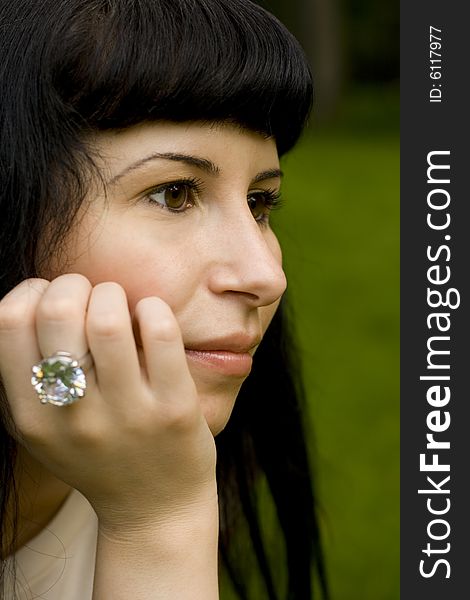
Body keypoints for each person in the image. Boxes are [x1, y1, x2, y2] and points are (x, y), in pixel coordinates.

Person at [0, 0, 327, 598]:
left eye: (260, 203)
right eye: (175, 194)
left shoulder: (161, 463)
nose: (265, 275)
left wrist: (160, 515)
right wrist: (160, 522)